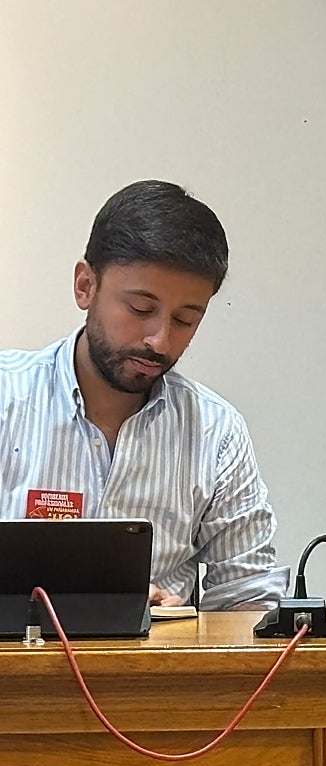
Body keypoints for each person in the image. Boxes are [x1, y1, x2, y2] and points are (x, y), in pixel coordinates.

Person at [0, 180, 289, 610]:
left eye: (185, 319)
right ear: (85, 286)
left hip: (158, 655)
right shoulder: (7, 398)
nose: (159, 340)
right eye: (141, 309)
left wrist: (185, 626)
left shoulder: (216, 432)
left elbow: (249, 599)